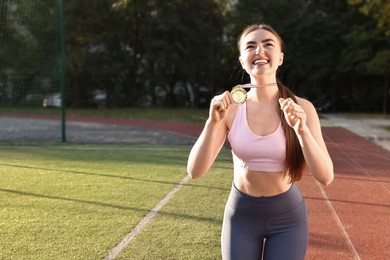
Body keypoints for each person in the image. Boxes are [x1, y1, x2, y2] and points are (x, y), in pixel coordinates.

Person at [186, 23, 334, 260]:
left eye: (268, 44)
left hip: (288, 219)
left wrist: (302, 130)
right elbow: (194, 171)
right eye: (251, 46)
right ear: (242, 60)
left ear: (281, 57)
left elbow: (326, 176)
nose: (260, 51)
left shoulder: (302, 107)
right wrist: (212, 122)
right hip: (241, 216)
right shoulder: (231, 108)